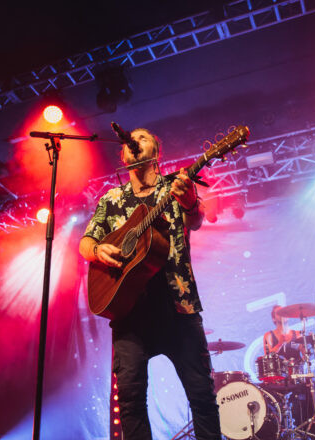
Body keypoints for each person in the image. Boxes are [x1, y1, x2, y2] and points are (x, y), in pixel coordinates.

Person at [79, 128, 221, 440]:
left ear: (156, 151)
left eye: (143, 138)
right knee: (130, 403)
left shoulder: (175, 185)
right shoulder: (111, 199)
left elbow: (195, 219)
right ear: (123, 155)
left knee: (202, 396)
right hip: (129, 315)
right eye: (132, 140)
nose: (135, 141)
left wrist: (188, 200)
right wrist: (98, 250)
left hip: (177, 308)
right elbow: (86, 242)